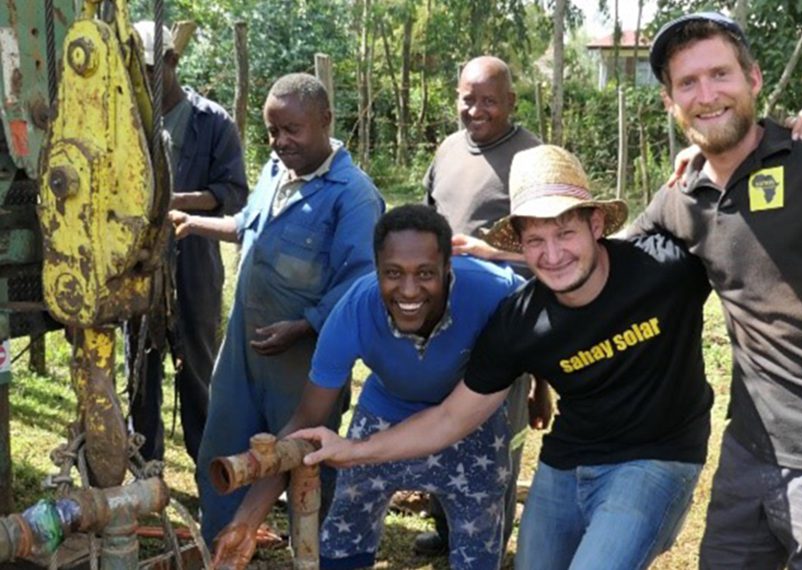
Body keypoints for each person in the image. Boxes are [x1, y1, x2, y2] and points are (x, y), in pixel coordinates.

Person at [292, 145, 713, 570]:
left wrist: (716, 150)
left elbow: (741, 222)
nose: (552, 255)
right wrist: (353, 450)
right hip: (570, 460)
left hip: (657, 457)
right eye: (535, 241)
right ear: (522, 247)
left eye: (565, 233)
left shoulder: (666, 271)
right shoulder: (520, 321)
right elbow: (450, 418)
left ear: (596, 224)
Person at [632, 13, 802, 568]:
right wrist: (505, 254)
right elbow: (602, 264)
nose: (706, 95)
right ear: (670, 103)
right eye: (688, 83)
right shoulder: (681, 196)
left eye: (720, 74)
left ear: (753, 79)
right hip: (748, 449)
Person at [211, 204, 523, 570]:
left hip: (472, 419)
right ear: (376, 270)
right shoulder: (354, 311)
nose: (409, 290)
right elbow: (306, 420)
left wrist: (539, 388)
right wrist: (246, 522)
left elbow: (541, 327)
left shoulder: (493, 289)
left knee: (480, 539)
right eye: (393, 273)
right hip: (385, 414)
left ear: (448, 268)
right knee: (344, 533)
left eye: (425, 273)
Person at [169, 72, 385, 544]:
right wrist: (194, 223)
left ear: (325, 120)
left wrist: (303, 326)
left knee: (306, 462)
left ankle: (315, 552)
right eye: (272, 131)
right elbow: (247, 225)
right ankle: (222, 548)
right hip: (244, 348)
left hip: (304, 361)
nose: (280, 141)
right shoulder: (274, 172)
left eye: (292, 130)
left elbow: (360, 284)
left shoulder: (353, 196)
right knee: (221, 454)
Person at [419, 54, 551, 556]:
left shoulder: (531, 159)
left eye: (489, 101)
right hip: (441, 322)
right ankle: (447, 529)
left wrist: (541, 379)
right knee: (439, 425)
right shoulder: (449, 149)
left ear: (511, 102)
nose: (476, 110)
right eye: (467, 99)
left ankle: (488, 543)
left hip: (504, 327)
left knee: (495, 439)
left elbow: (550, 253)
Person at [127, 21, 248, 463]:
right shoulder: (126, 120)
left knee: (196, 367)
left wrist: (172, 202)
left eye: (149, 69)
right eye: (134, 70)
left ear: (172, 61)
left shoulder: (212, 122)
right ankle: (146, 466)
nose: (142, 79)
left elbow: (233, 192)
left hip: (193, 262)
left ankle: (207, 467)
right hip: (137, 262)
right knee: (140, 371)